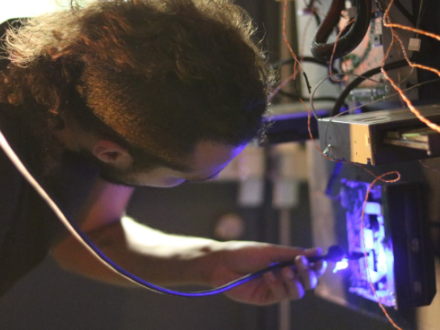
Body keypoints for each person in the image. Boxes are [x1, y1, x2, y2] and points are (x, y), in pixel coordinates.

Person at [0, 0, 326, 305]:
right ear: (111, 154)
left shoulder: (91, 78)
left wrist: (211, 262)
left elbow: (94, 233)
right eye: (185, 177)